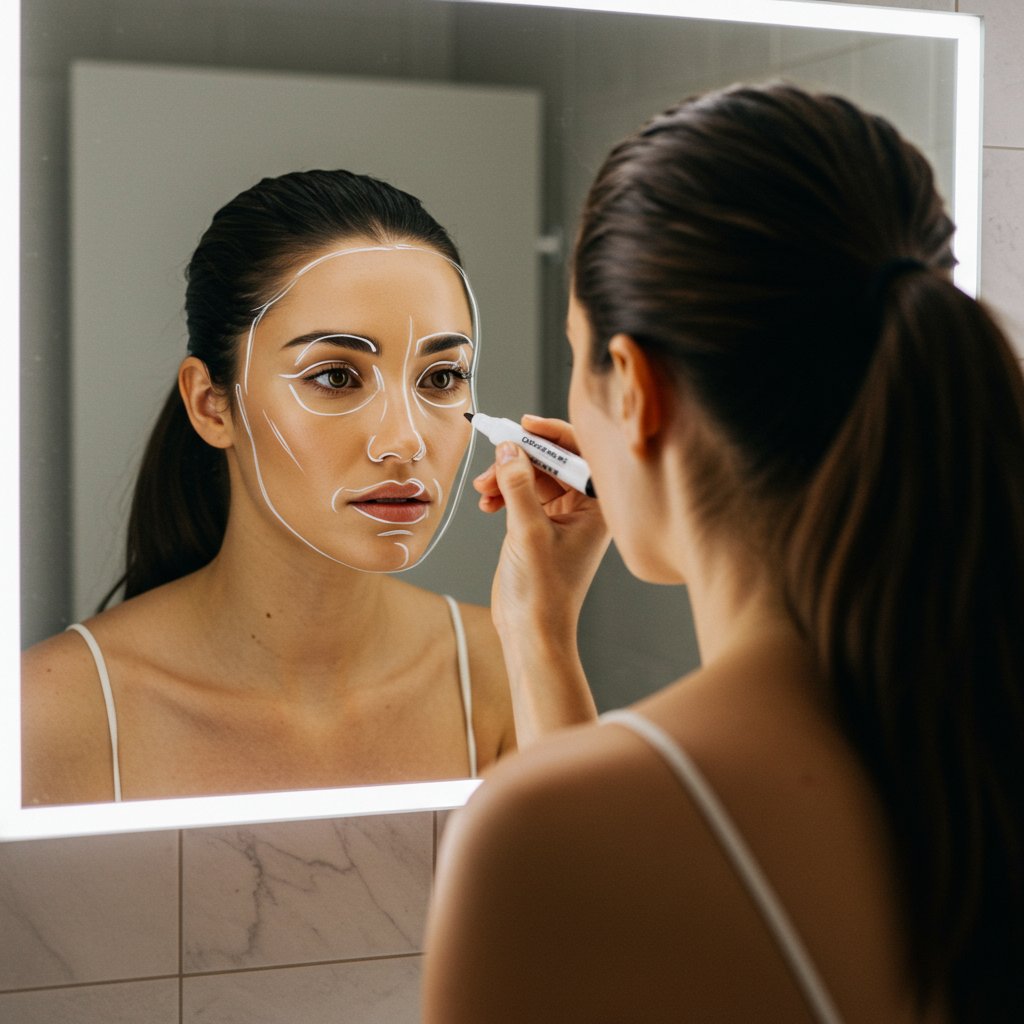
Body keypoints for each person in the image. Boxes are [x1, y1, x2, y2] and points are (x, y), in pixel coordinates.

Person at [423, 83, 1024, 1023]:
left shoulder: (537, 836)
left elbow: (613, 874)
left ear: (634, 386)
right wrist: (537, 632)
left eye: (580, 356)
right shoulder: (970, 738)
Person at [21, 169, 515, 805]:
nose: (406, 441)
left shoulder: (505, 664)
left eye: (442, 378)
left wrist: (548, 619)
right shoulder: (54, 714)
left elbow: (595, 902)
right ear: (211, 406)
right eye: (337, 376)